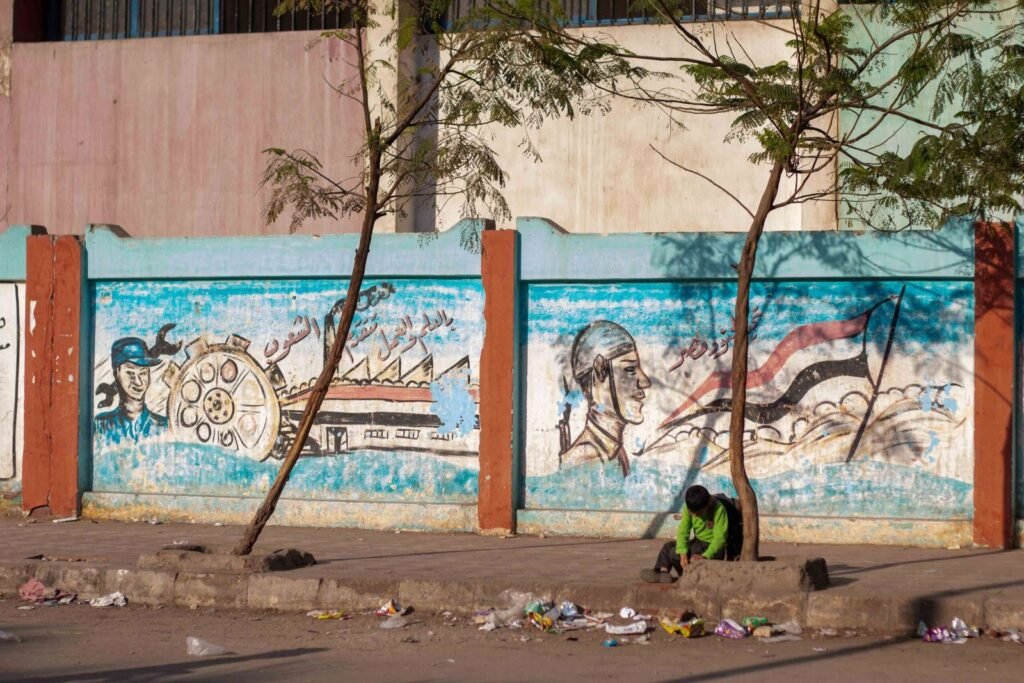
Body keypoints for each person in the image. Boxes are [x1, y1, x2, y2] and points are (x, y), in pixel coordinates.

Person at [560, 320, 651, 477]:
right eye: (630, 369)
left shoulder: (614, 451)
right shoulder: (586, 459)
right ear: (600, 370)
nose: (644, 381)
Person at [640, 485, 742, 583]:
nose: (694, 515)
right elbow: (683, 531)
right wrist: (683, 553)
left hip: (712, 548)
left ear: (708, 503)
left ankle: (688, 576)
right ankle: (662, 572)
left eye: (698, 513)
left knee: (675, 553)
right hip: (698, 542)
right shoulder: (689, 508)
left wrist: (706, 556)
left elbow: (720, 538)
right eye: (692, 513)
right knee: (668, 547)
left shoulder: (718, 509)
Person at [94, 337, 168, 444]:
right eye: (130, 373)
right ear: (116, 374)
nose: (138, 382)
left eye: (143, 373)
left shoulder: (164, 426)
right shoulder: (100, 426)